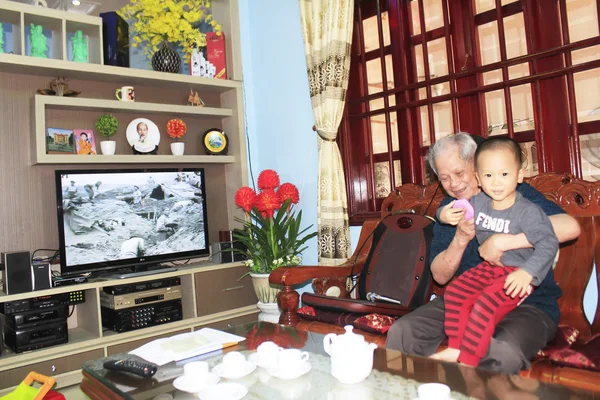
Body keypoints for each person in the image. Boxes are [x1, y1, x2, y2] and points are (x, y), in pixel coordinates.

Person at [385, 132, 580, 374]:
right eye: (444, 178)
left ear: (476, 166)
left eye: (459, 173)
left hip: (527, 302)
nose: (453, 184)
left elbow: (569, 227)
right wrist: (460, 237)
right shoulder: (452, 209)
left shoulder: (510, 193)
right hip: (468, 299)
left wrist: (504, 241)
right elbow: (440, 275)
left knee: (502, 349)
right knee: (404, 332)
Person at [431, 137, 559, 367]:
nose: (497, 183)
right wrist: (444, 217)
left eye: (504, 174)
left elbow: (550, 240)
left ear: (519, 176)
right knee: (455, 293)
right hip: (489, 271)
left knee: (485, 304)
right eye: (489, 176)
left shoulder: (526, 209)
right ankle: (455, 347)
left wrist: (525, 268)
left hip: (516, 275)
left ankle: (468, 361)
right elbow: (454, 208)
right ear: (480, 176)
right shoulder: (480, 202)